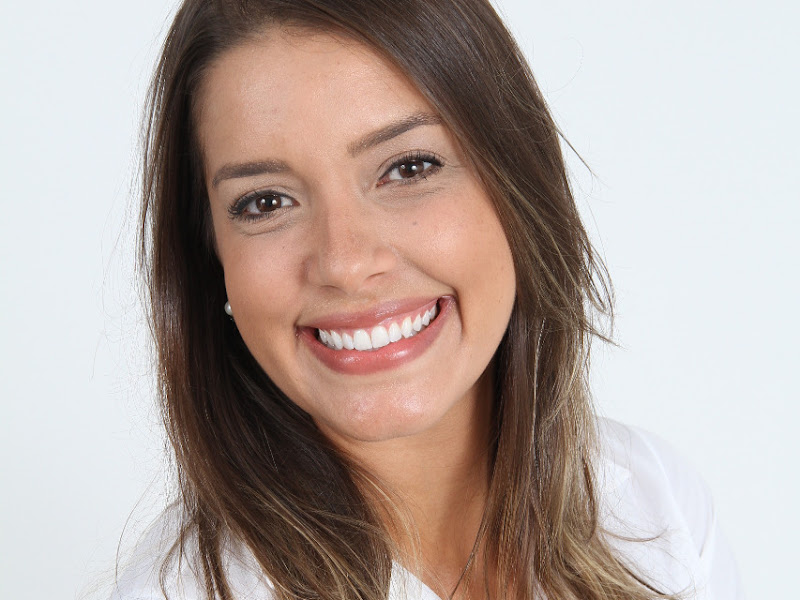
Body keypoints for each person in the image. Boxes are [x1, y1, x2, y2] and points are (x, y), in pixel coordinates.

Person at [112, 0, 742, 599]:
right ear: (212, 259)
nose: (346, 263)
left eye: (409, 168)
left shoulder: (653, 505)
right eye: (266, 202)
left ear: (518, 186)